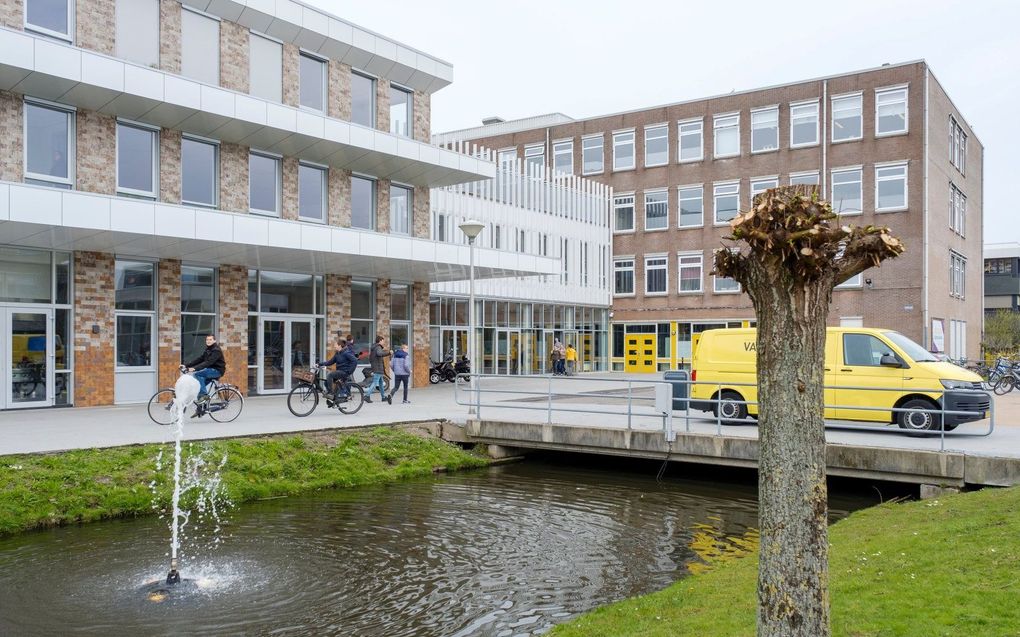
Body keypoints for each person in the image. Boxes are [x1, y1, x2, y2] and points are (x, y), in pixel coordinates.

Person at [185, 334, 225, 407]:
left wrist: (195, 368)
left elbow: (208, 362)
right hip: (210, 370)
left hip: (217, 371)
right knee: (198, 386)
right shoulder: (208, 349)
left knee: (197, 374)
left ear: (214, 340)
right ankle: (201, 408)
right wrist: (186, 365)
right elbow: (200, 359)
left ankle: (204, 396)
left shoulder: (216, 350)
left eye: (210, 339)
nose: (208, 341)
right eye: (207, 340)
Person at [318, 339, 358, 405]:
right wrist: (320, 364)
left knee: (330, 375)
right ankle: (334, 400)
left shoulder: (346, 353)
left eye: (335, 345)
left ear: (340, 346)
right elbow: (330, 362)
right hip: (339, 371)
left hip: (344, 372)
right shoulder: (338, 353)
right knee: (326, 382)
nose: (334, 346)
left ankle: (331, 393)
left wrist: (350, 371)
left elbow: (355, 361)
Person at [365, 335, 392, 404]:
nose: (383, 342)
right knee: (375, 383)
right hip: (378, 368)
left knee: (380, 383)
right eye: (383, 341)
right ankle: (367, 396)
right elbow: (379, 353)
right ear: (380, 341)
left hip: (376, 367)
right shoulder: (378, 347)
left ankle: (383, 397)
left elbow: (370, 358)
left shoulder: (374, 347)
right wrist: (389, 353)